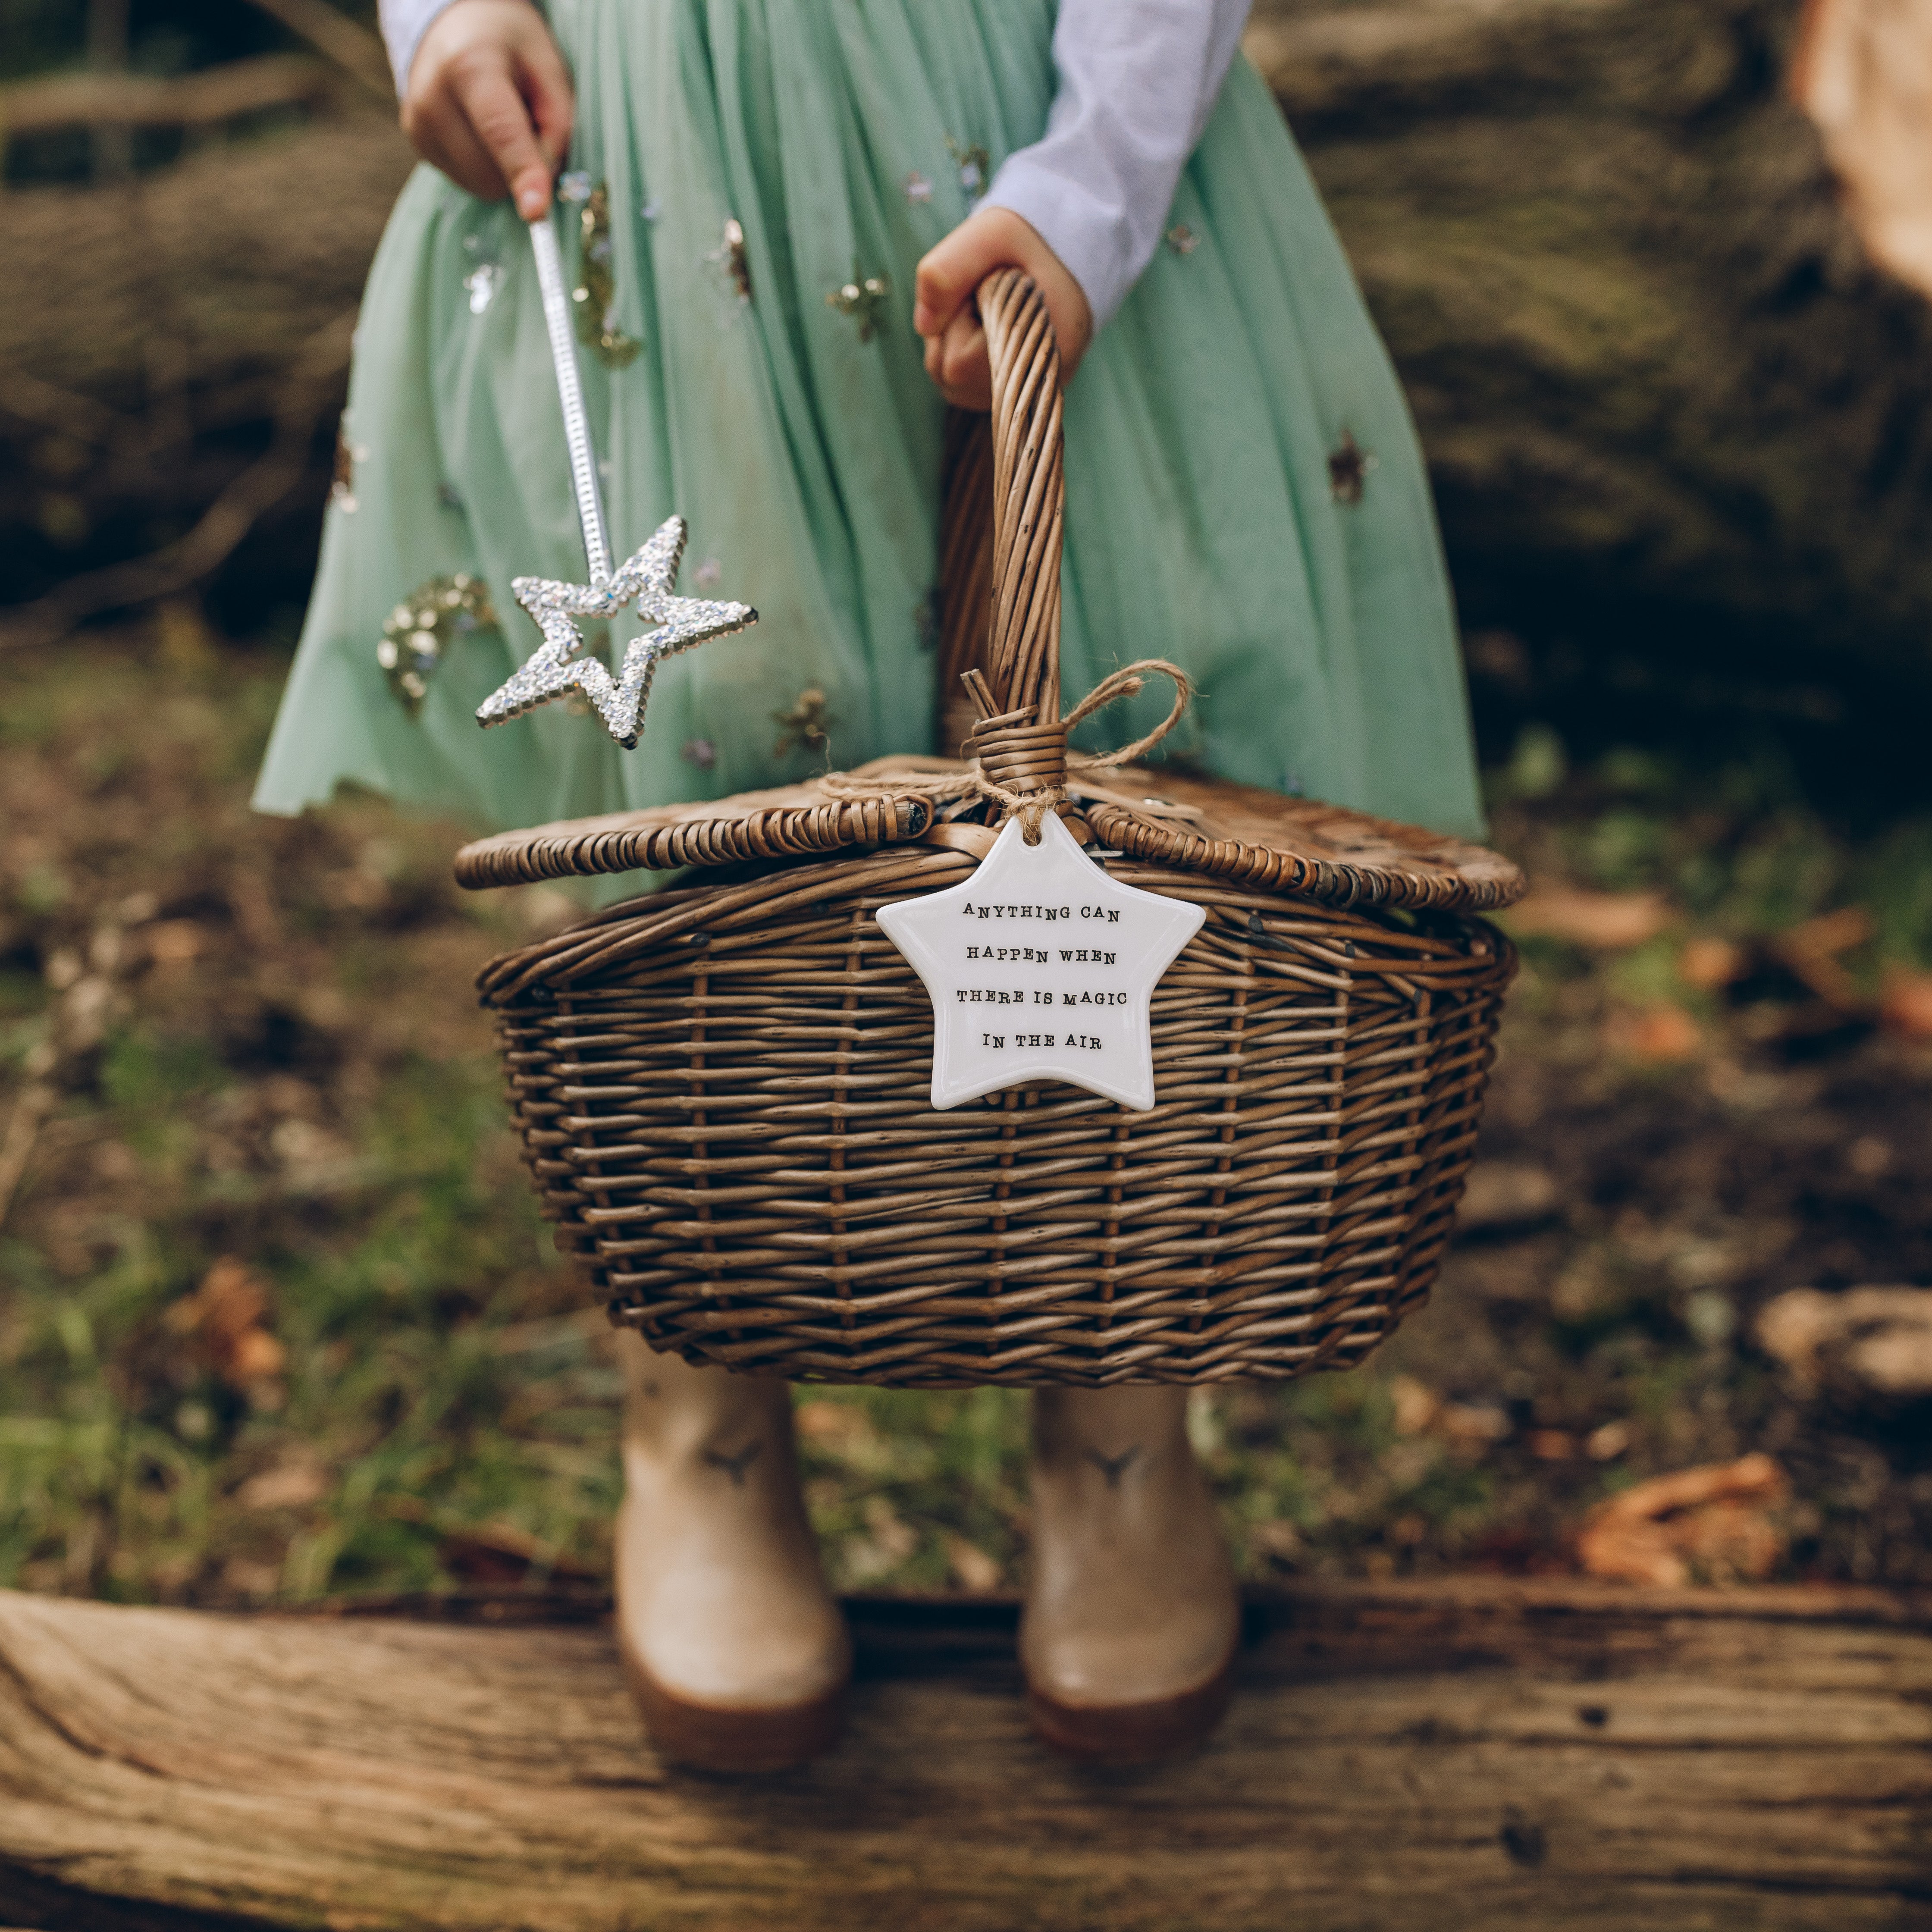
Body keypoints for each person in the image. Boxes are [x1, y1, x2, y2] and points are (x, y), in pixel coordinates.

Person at [255, 0, 1484, 1768]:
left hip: (1021, 118)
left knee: (1096, 730)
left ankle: (1121, 1421)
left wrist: (1098, 181)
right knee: (703, 744)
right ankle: (705, 1421)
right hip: (654, 147)